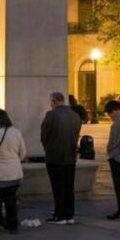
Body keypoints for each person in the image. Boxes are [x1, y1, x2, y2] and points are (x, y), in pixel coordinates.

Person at [40, 92, 82, 225]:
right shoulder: (75, 116)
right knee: (69, 186)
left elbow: (44, 135)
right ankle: (69, 215)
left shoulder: (51, 115)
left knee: (58, 187)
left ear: (53, 102)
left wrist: (48, 148)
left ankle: (60, 215)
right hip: (70, 156)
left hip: (55, 156)